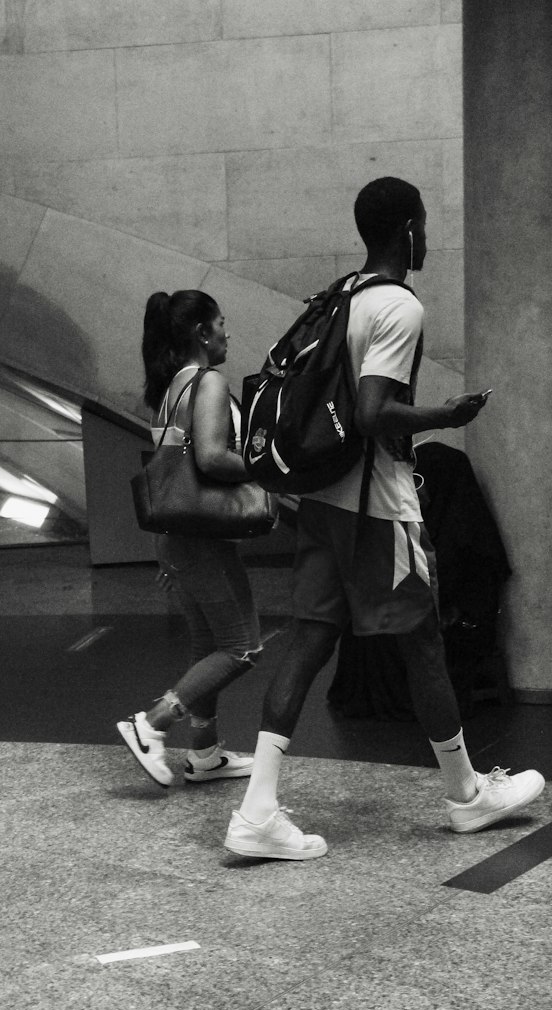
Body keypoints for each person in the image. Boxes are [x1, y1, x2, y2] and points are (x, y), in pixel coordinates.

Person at [225, 176, 544, 860]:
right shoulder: (397, 306)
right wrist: (445, 416)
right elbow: (371, 414)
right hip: (377, 507)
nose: (426, 237)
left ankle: (257, 810)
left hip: (322, 503)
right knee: (423, 643)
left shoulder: (343, 294)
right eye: (422, 226)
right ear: (405, 229)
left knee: (309, 642)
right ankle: (465, 797)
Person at [116, 291, 258, 787]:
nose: (226, 333)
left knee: (206, 647)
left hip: (176, 538)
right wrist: (269, 469)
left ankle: (206, 754)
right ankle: (152, 722)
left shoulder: (170, 390)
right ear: (201, 332)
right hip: (202, 539)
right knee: (241, 647)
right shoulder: (209, 383)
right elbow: (213, 459)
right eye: (221, 323)